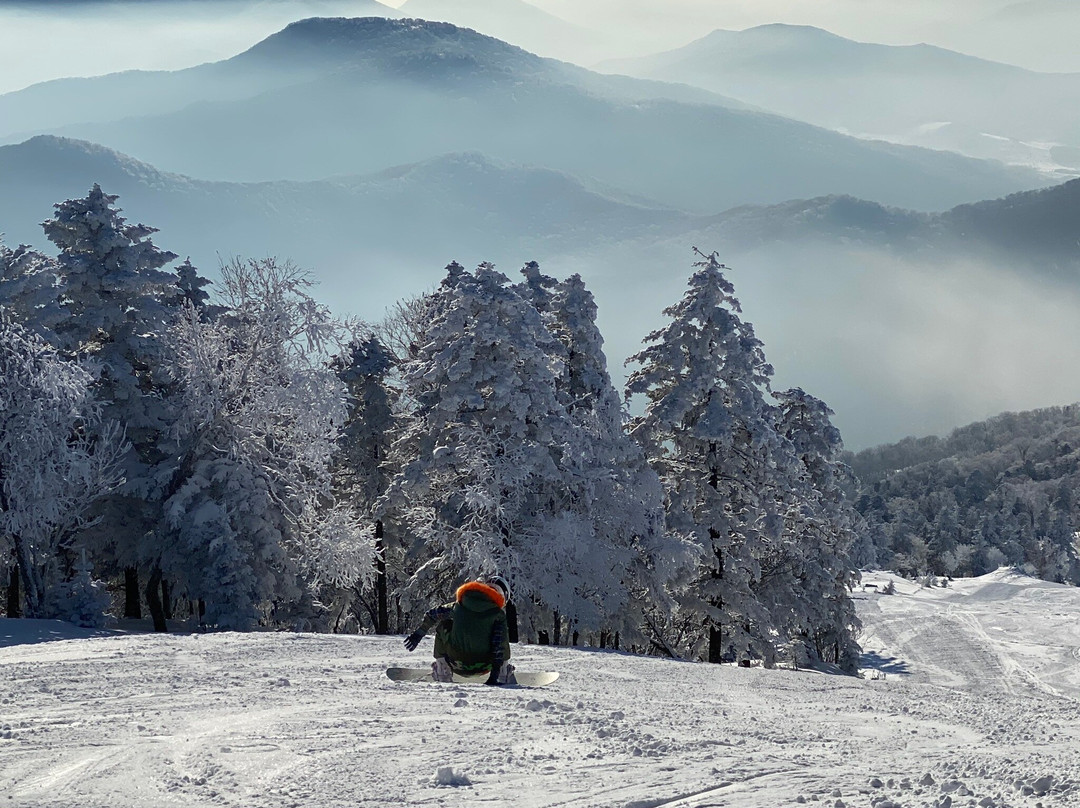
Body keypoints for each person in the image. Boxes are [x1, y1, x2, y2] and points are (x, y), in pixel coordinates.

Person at [403, 575, 514, 685]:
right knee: (502, 635)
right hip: (485, 666)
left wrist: (419, 633)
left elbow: (432, 615)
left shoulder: (459, 605)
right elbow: (499, 644)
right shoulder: (498, 614)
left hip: (456, 664)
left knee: (444, 625)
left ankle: (443, 671)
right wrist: (494, 675)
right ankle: (502, 673)